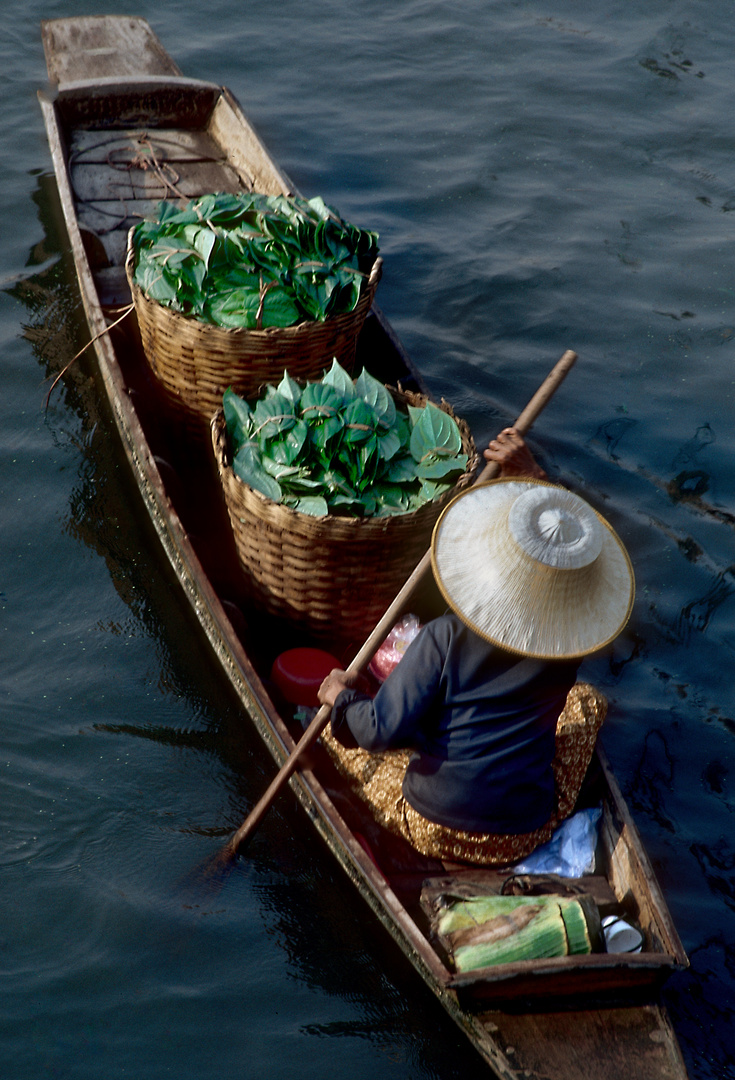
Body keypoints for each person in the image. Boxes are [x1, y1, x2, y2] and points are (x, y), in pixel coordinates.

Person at [317, 428, 635, 866]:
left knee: (336, 732)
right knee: (586, 701)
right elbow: (570, 545)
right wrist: (534, 476)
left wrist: (340, 697)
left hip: (434, 826)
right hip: (523, 832)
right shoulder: (568, 646)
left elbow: (377, 730)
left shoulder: (444, 637)